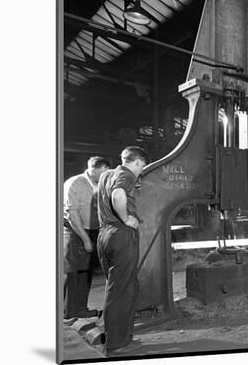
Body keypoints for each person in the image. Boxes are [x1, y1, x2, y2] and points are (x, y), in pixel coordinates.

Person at [97, 146, 149, 356]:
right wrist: (126, 218)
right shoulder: (126, 175)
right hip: (121, 235)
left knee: (120, 288)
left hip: (104, 236)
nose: (141, 171)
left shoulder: (105, 176)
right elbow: (118, 195)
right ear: (137, 162)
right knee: (121, 291)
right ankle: (116, 344)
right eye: (142, 166)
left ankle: (121, 337)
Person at [63, 156, 110, 324]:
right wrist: (85, 239)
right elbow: (72, 214)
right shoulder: (75, 183)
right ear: (96, 168)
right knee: (74, 272)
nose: (106, 175)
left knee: (86, 272)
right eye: (104, 172)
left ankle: (80, 308)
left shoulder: (99, 185)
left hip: (92, 231)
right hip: (75, 232)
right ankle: (70, 312)